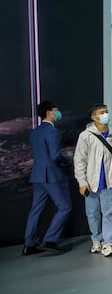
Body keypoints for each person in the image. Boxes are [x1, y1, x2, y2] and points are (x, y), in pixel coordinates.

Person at [74, 104, 112, 257]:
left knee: (108, 213)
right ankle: (96, 240)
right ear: (94, 117)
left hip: (109, 180)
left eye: (106, 112)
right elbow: (79, 161)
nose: (105, 114)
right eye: (102, 112)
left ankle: (108, 243)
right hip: (91, 183)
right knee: (92, 214)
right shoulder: (86, 136)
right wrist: (82, 182)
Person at [23, 101, 73, 256]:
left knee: (36, 209)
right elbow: (54, 155)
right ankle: (50, 240)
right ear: (50, 112)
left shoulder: (35, 131)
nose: (58, 113)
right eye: (56, 110)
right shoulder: (53, 132)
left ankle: (30, 244)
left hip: (37, 174)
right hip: (51, 174)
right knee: (65, 207)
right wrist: (68, 158)